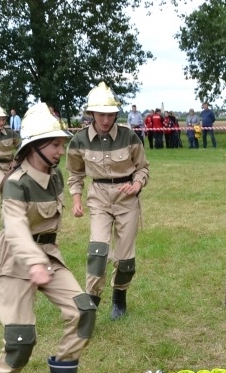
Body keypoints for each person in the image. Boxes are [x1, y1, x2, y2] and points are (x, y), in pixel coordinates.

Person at [0, 102, 99, 373]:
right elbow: (16, 228)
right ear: (35, 146)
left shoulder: (55, 177)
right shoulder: (15, 183)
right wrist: (33, 262)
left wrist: (42, 261)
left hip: (48, 257)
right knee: (21, 342)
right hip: (15, 261)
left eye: (62, 143)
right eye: (55, 143)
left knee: (84, 311)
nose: (62, 149)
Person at [67, 82, 150, 319]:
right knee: (98, 251)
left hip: (127, 200)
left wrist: (136, 184)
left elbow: (143, 168)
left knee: (125, 260)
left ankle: (119, 298)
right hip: (99, 198)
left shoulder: (130, 136)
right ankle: (91, 304)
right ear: (91, 113)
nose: (106, 120)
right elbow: (75, 174)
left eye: (110, 114)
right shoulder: (79, 140)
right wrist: (76, 200)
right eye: (101, 114)